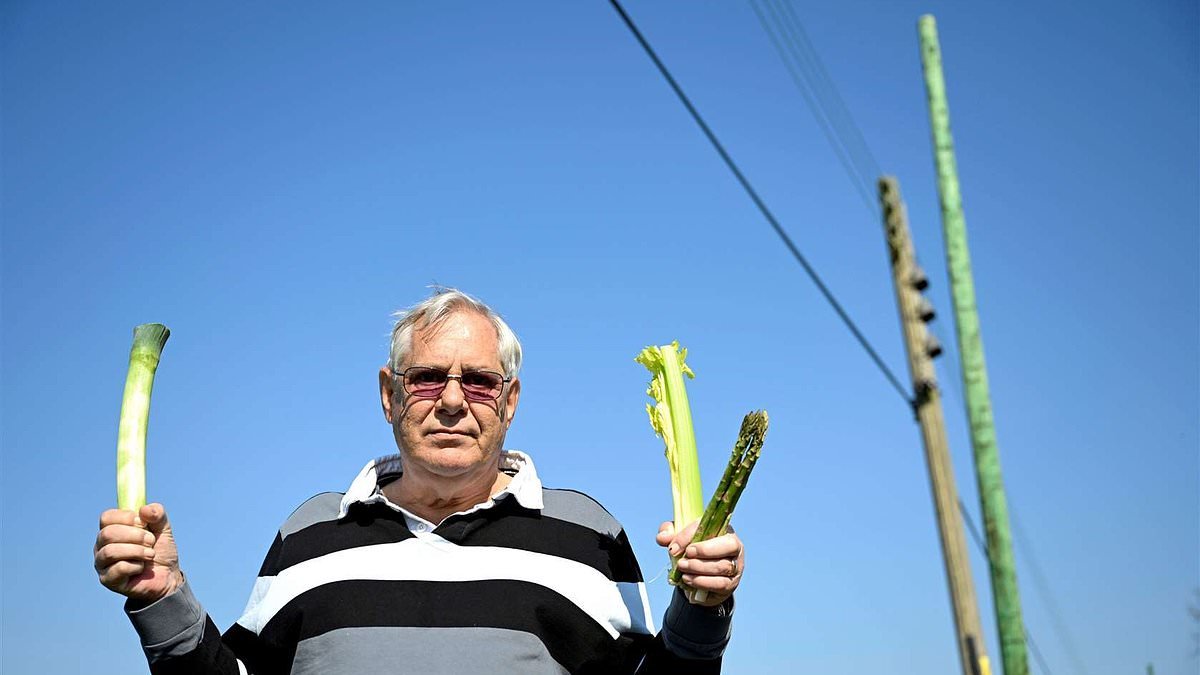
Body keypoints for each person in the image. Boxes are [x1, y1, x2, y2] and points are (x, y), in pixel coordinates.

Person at [94, 289, 746, 674]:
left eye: (480, 381)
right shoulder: (307, 533)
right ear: (389, 394)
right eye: (428, 378)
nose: (453, 401)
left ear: (510, 400)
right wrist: (163, 595)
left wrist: (702, 608)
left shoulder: (589, 533)